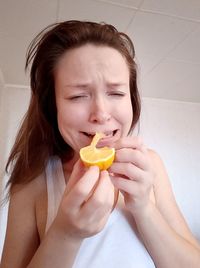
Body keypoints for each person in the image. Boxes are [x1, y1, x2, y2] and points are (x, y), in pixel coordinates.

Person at [0, 20, 200, 268]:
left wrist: (144, 209)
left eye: (116, 93)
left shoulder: (150, 165)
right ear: (52, 107)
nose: (101, 114)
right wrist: (65, 233)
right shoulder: (32, 181)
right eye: (77, 96)